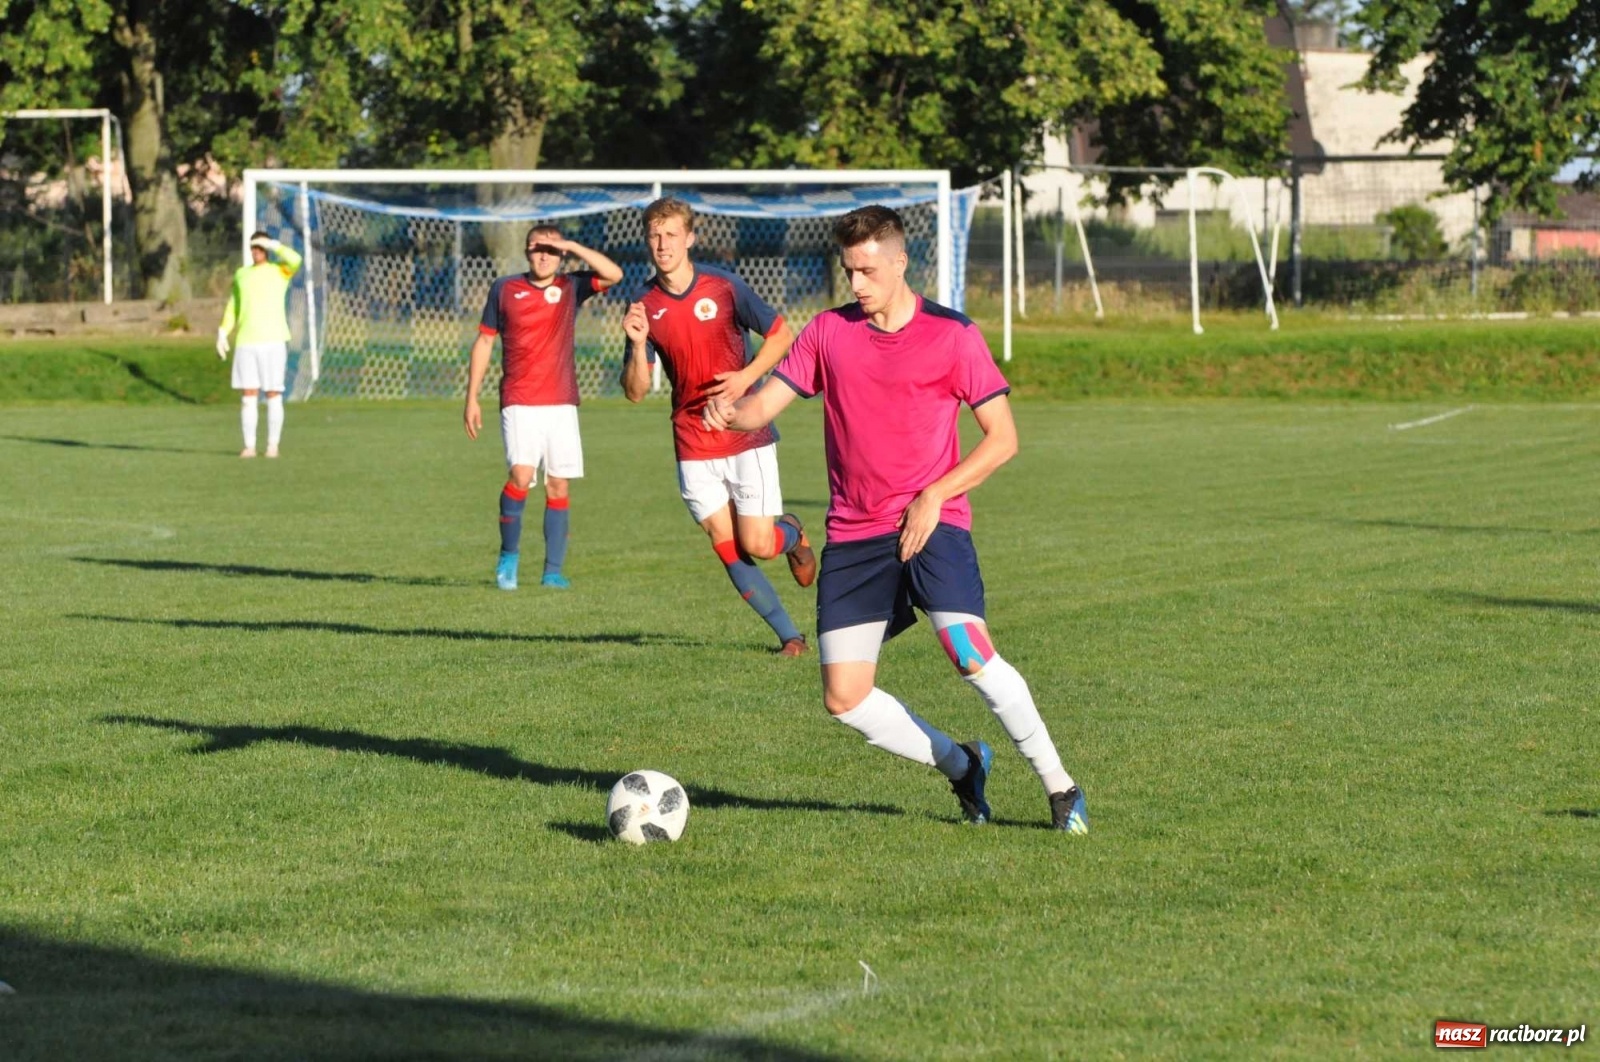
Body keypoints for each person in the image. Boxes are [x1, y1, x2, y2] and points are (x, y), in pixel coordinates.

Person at [703, 205, 1088, 832]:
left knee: (967, 651)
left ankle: (1060, 785)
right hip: (854, 535)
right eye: (849, 271)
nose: (856, 284)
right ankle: (962, 765)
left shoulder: (953, 335)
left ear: (900, 261)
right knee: (844, 698)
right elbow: (762, 407)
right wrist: (732, 411)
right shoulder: (827, 332)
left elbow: (1002, 439)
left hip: (931, 523)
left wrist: (936, 494)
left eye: (868, 270)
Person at [621, 197, 816, 657]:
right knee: (725, 544)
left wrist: (747, 379)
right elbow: (633, 391)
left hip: (745, 432)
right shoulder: (644, 306)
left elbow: (782, 335)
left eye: (671, 234)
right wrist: (635, 347)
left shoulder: (724, 286)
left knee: (759, 543)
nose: (662, 244)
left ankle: (793, 533)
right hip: (691, 439)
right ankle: (790, 636)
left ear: (690, 238)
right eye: (654, 235)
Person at [464, 225, 624, 590]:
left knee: (557, 485)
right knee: (521, 477)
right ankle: (509, 556)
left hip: (561, 402)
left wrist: (570, 244)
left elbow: (614, 275)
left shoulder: (570, 287)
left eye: (551, 250)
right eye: (537, 249)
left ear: (561, 255)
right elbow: (485, 342)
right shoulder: (504, 288)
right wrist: (472, 397)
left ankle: (552, 570)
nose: (543, 256)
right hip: (520, 400)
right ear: (526, 251)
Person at [218, 232, 303, 458]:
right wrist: (223, 332)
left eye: (259, 247)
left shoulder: (280, 271)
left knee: (273, 393)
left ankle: (273, 445)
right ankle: (249, 445)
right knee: (248, 394)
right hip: (247, 341)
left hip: (273, 340)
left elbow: (296, 260)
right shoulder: (242, 275)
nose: (255, 251)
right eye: (253, 247)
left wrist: (274, 245)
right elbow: (233, 306)